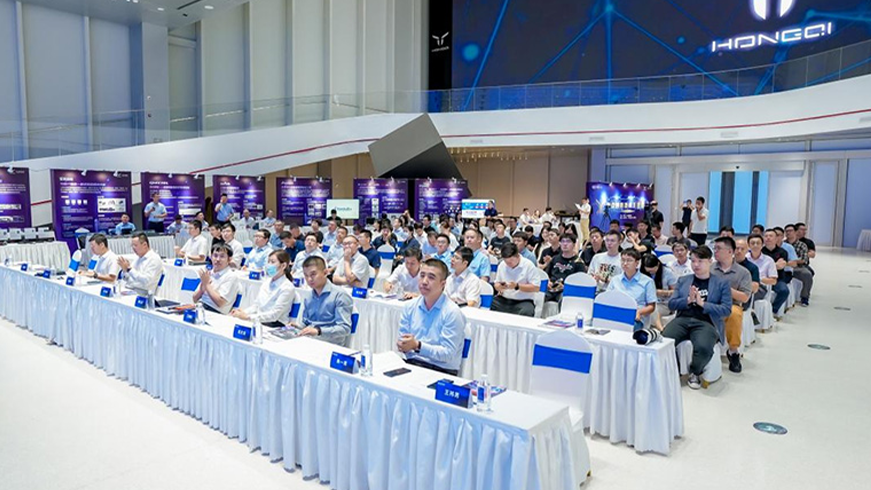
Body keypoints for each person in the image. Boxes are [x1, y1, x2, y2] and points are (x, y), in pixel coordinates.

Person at [662, 245, 732, 389]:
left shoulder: (721, 283)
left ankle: (695, 372)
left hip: (706, 322)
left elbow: (726, 310)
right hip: (683, 319)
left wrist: (703, 304)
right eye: (693, 261)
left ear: (710, 261)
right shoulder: (683, 280)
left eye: (700, 261)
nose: (696, 265)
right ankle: (673, 369)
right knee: (664, 341)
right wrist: (688, 300)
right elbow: (672, 304)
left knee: (703, 347)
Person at [397, 258, 466, 375]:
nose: (424, 281)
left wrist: (418, 346)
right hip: (412, 363)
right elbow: (403, 340)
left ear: (442, 284)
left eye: (431, 277)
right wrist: (403, 344)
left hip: (441, 370)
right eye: (422, 275)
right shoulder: (409, 306)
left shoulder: (452, 312)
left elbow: (448, 354)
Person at [711, 236, 753, 373]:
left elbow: (745, 297)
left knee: (734, 314)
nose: (715, 251)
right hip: (710, 302)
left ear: (730, 251)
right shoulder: (710, 268)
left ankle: (733, 352)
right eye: (714, 248)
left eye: (718, 248)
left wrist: (726, 289)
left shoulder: (743, 272)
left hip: (731, 304)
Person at [296, 256, 353, 345]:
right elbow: (306, 322)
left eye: (313, 274)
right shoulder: (308, 296)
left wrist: (318, 331)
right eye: (306, 275)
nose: (309, 279)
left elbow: (344, 328)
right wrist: (297, 326)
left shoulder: (340, 295)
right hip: (309, 341)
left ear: (325, 272)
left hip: (330, 344)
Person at [232, 250, 296, 325]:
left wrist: (248, 317)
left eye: (272, 262)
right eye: (268, 262)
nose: (269, 265)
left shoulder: (287, 287)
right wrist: (243, 313)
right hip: (259, 320)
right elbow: (256, 306)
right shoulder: (266, 282)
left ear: (283, 266)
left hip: (275, 324)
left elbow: (274, 315)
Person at [607, 248, 657, 330]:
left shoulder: (647, 281)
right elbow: (607, 299)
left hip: (636, 317)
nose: (625, 263)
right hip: (616, 314)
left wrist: (639, 312)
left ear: (637, 263)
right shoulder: (615, 280)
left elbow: (652, 306)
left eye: (629, 260)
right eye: (623, 260)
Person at [491, 243, 539, 317]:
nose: (508, 264)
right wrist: (500, 287)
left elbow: (536, 288)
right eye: (506, 262)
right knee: (488, 304)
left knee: (527, 311)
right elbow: (496, 284)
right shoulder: (502, 265)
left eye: (511, 261)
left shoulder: (529, 265)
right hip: (504, 299)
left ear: (517, 256)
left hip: (523, 301)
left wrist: (517, 286)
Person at [192, 244, 240, 315]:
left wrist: (207, 285)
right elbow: (195, 299)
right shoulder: (209, 273)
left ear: (229, 259)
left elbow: (220, 303)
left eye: (222, 256)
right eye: (215, 255)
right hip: (200, 307)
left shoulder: (231, 276)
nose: (217, 259)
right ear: (211, 257)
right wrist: (203, 286)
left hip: (216, 312)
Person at [544, 233, 587, 304]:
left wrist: (566, 287)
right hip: (551, 288)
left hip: (566, 290)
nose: (565, 244)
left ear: (574, 244)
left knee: (563, 299)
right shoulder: (555, 259)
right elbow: (546, 274)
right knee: (539, 296)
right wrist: (548, 282)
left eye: (568, 241)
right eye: (563, 241)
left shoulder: (578, 262)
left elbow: (580, 282)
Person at [745, 233, 781, 313]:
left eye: (758, 243)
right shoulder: (744, 258)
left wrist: (758, 279)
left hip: (761, 287)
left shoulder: (769, 260)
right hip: (744, 285)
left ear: (762, 245)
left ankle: (748, 312)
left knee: (748, 294)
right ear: (748, 245)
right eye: (752, 243)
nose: (755, 245)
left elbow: (773, 281)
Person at [641, 254, 677, 330]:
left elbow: (676, 292)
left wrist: (663, 292)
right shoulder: (642, 272)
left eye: (652, 270)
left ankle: (661, 329)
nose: (650, 273)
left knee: (652, 308)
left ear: (658, 264)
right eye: (648, 271)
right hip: (645, 301)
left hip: (664, 303)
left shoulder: (668, 273)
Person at [761, 229, 791, 318]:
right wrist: (774, 265)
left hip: (777, 279)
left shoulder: (782, 252)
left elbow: (781, 266)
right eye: (766, 236)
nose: (768, 238)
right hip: (762, 278)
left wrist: (767, 266)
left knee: (784, 291)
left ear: (776, 238)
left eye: (771, 236)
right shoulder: (760, 251)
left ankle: (773, 310)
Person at [785, 224, 814, 306]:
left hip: (798, 267)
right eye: (786, 231)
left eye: (790, 231)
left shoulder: (802, 245)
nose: (788, 233)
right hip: (784, 267)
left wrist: (793, 261)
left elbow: (804, 259)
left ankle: (804, 297)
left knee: (807, 274)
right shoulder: (783, 244)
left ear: (795, 232)